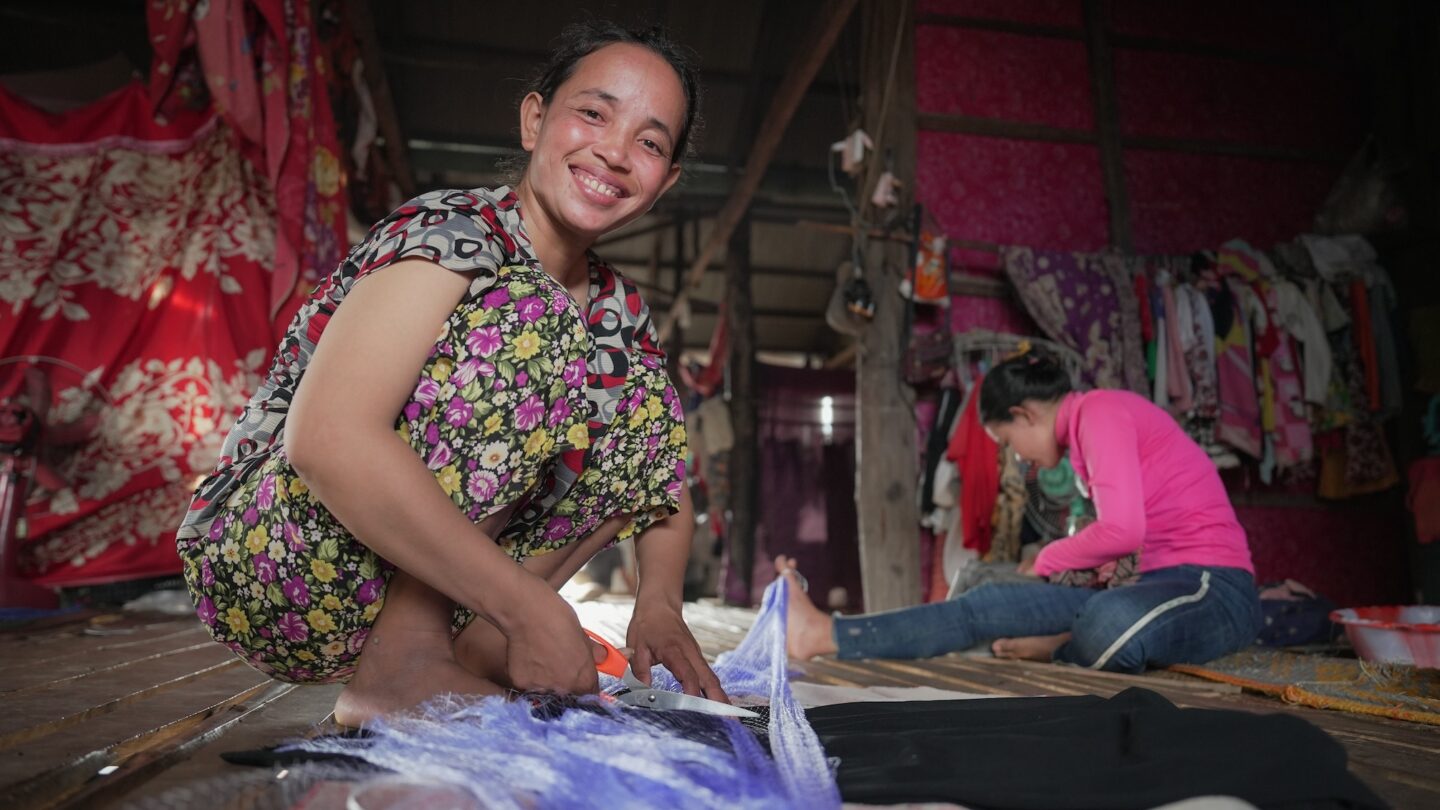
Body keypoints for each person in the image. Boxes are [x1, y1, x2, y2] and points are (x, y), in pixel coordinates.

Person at [176, 21, 725, 726]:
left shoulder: (619, 308)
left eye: (649, 142)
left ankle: (463, 649)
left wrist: (660, 606)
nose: (615, 152)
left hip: (439, 581)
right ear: (535, 119)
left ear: (666, 180)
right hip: (278, 553)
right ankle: (403, 664)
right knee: (540, 318)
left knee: (644, 400)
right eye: (593, 113)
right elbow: (325, 439)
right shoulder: (455, 230)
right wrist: (531, 607)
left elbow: (662, 477)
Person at [779, 351, 1263, 673]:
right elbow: (1124, 542)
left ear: (1026, 414)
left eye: (1008, 442)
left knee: (1108, 621)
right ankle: (826, 633)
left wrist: (1050, 559)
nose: (1017, 458)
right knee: (990, 599)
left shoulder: (1100, 413)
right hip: (1147, 585)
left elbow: (1122, 530)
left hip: (1211, 586)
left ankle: (1060, 647)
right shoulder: (1080, 441)